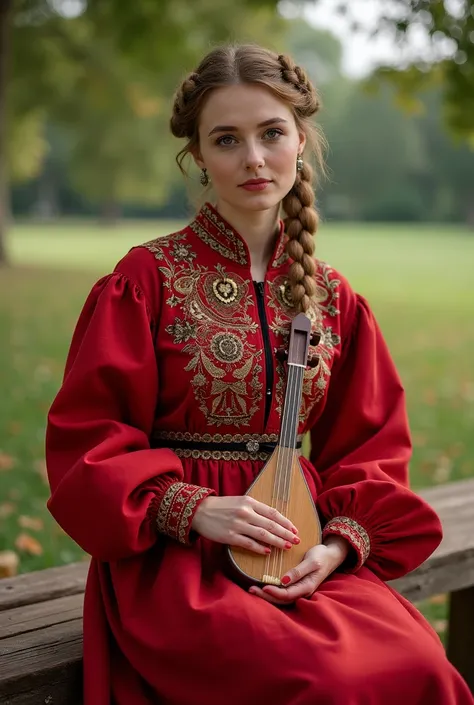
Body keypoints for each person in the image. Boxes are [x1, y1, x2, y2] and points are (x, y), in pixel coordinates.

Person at [45, 44, 474, 705]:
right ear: (198, 156)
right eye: (227, 139)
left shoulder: (333, 297)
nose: (253, 158)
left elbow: (372, 449)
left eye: (271, 133)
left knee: (420, 663)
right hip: (175, 561)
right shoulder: (146, 279)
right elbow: (87, 439)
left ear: (300, 139)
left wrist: (334, 546)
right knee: (323, 679)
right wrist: (194, 509)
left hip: (297, 543)